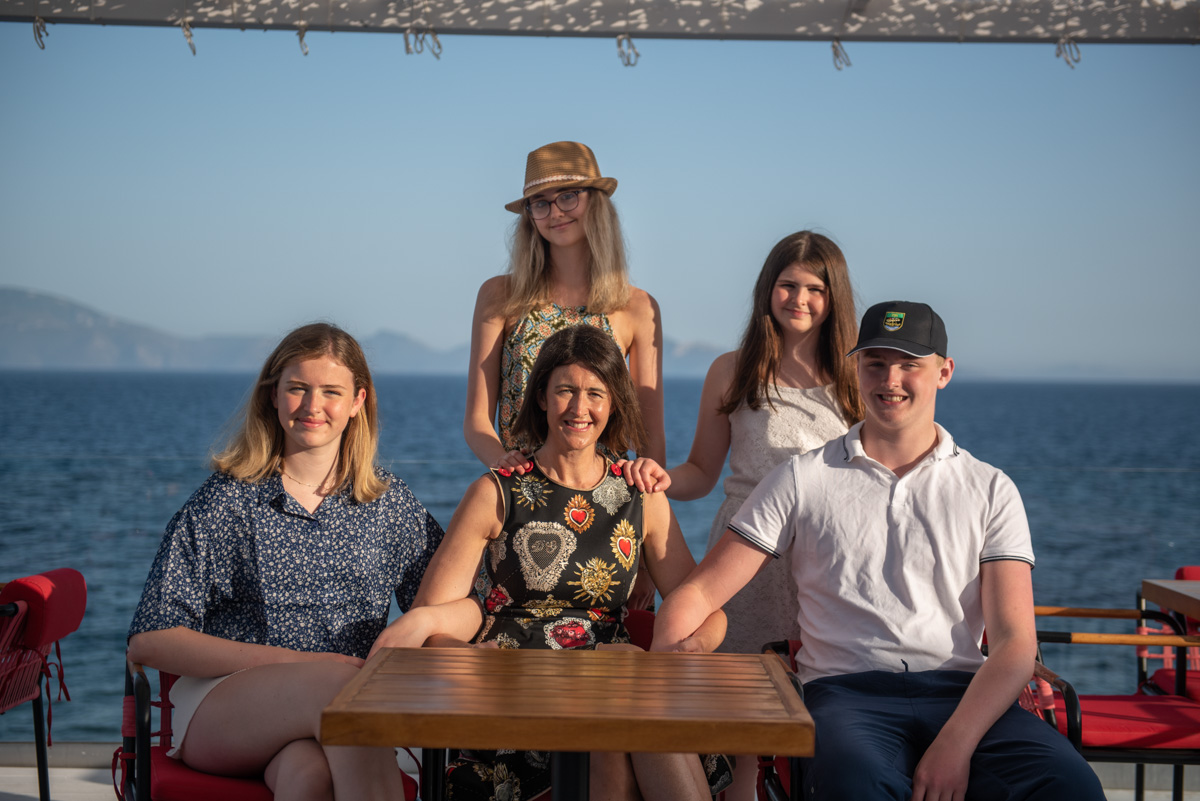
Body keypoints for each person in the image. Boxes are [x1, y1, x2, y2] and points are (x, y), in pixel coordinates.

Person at [654, 302, 1105, 801]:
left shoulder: (990, 488)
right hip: (845, 697)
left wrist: (954, 745)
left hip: (963, 696)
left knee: (1072, 784)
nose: (890, 379)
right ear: (856, 370)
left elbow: (1015, 643)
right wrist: (667, 659)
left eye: (910, 364)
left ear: (944, 372)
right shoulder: (803, 478)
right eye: (875, 363)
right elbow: (700, 591)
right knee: (856, 785)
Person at [378, 324, 730, 800]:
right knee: (625, 719)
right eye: (564, 390)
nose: (579, 408)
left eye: (595, 393)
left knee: (625, 715)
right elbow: (431, 621)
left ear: (613, 404)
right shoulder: (496, 492)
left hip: (617, 684)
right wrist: (475, 664)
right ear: (541, 397)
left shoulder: (641, 497)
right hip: (515, 697)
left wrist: (688, 654)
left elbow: (704, 607)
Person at [127, 323, 444, 800]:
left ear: (359, 401)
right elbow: (150, 640)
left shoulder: (388, 504)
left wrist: (420, 622)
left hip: (336, 713)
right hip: (226, 708)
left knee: (308, 776)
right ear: (272, 396)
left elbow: (465, 599)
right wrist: (299, 664)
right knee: (338, 687)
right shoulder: (227, 502)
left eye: (330, 392)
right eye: (297, 388)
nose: (312, 406)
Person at [464, 140, 664, 607]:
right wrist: (509, 471)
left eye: (568, 195)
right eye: (540, 202)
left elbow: (649, 437)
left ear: (596, 202)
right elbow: (477, 421)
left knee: (614, 659)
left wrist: (651, 537)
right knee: (505, 649)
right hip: (519, 499)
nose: (555, 211)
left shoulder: (636, 306)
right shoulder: (500, 296)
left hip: (609, 512)